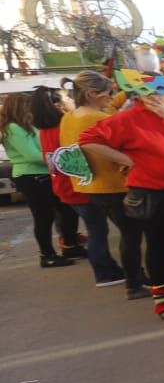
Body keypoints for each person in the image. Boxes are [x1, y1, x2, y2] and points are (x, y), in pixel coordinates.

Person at [78, 77, 164, 320]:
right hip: (154, 193)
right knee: (159, 247)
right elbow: (88, 140)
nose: (159, 97)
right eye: (151, 92)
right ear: (139, 95)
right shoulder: (127, 119)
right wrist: (128, 160)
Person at [62, 72, 148, 296]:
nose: (111, 97)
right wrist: (128, 160)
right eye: (108, 92)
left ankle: (134, 277)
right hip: (113, 185)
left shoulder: (70, 117)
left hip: (90, 186)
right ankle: (134, 283)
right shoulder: (94, 119)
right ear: (91, 94)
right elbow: (111, 144)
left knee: (119, 232)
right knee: (131, 235)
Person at [38, 88, 116, 283]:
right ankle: (105, 272)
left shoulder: (48, 129)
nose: (72, 100)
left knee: (96, 228)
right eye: (67, 98)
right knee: (97, 230)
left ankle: (106, 269)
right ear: (58, 106)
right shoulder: (67, 124)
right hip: (78, 184)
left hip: (66, 185)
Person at [1, 90, 80, 268]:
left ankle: (70, 245)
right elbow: (31, 155)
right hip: (31, 176)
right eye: (28, 105)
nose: (32, 108)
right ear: (19, 107)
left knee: (66, 208)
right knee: (44, 216)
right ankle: (47, 255)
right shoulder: (13, 128)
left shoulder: (29, 124)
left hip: (43, 173)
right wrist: (58, 158)